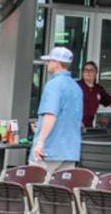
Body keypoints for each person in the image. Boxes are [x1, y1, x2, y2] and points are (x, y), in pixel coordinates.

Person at [31, 46, 83, 174]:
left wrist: (40, 142)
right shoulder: (76, 87)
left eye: (49, 61)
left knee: (37, 189)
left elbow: (50, 114)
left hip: (49, 150)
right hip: (70, 151)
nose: (47, 63)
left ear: (57, 63)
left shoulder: (54, 85)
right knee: (61, 191)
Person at [78, 61, 111, 130]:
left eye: (91, 70)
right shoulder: (76, 86)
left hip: (88, 127)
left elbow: (110, 101)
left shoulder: (98, 89)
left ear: (96, 73)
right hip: (73, 126)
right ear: (82, 73)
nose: (88, 72)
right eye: (86, 70)